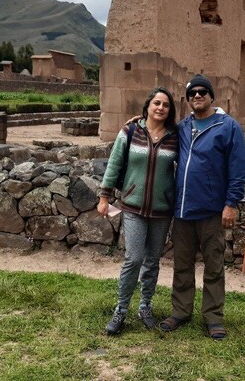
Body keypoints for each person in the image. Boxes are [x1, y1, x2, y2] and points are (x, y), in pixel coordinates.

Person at [159, 74, 245, 340]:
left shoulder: (227, 126)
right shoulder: (183, 127)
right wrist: (135, 123)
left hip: (211, 210)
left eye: (202, 92)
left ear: (211, 96)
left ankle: (213, 317)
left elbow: (238, 169)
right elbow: (155, 128)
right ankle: (180, 311)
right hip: (183, 210)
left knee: (213, 266)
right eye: (192, 93)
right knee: (182, 265)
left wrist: (231, 203)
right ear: (187, 100)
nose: (197, 96)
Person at [98, 87, 179, 335]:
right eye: (157, 103)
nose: (161, 108)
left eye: (166, 105)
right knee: (133, 259)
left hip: (161, 210)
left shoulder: (176, 136)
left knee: (152, 261)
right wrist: (104, 196)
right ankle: (121, 310)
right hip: (132, 206)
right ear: (148, 106)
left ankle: (145, 306)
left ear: (170, 110)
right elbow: (114, 164)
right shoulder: (130, 131)